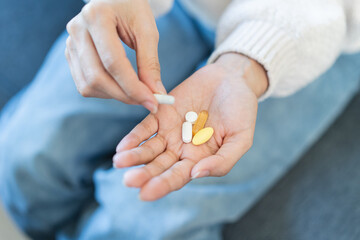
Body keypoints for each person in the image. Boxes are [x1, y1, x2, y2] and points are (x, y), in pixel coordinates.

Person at [0, 0, 359, 239]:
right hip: (187, 7)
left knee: (143, 219)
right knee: (24, 158)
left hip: (315, 28)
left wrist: (245, 65)